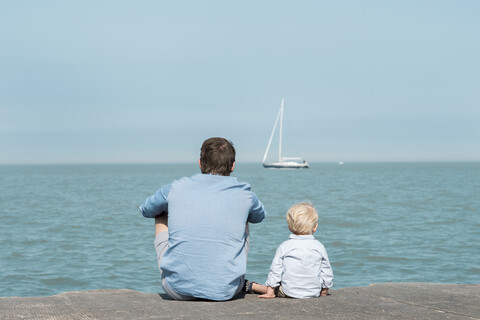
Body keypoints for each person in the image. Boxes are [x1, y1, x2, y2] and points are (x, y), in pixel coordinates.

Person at [139, 137, 266, 301]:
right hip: (227, 291)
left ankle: (181, 274)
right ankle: (225, 276)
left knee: (160, 212)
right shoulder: (246, 194)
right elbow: (259, 216)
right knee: (245, 218)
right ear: (233, 165)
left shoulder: (175, 187)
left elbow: (146, 209)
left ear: (200, 163)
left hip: (176, 290)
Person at [246, 202, 333, 299]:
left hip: (289, 292)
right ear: (315, 227)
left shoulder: (285, 246)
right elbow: (327, 271)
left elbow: (275, 270)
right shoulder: (319, 247)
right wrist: (324, 291)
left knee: (272, 288)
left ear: (289, 227)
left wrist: (270, 292)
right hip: (313, 292)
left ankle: (253, 286)